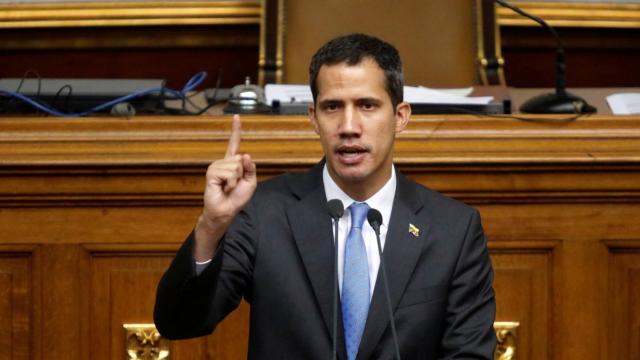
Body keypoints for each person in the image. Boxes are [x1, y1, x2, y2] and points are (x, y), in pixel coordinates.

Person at [154, 33, 496, 359]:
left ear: (400, 117)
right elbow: (179, 323)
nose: (348, 126)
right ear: (313, 118)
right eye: (332, 107)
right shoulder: (263, 212)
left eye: (367, 105)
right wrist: (212, 225)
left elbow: (469, 353)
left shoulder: (454, 230)